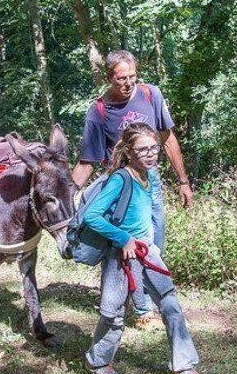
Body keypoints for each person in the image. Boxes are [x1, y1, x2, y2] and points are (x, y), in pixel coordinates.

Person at [82, 123, 210, 374]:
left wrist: (155, 246)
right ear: (129, 151)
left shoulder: (150, 176)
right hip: (122, 257)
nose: (151, 154)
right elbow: (92, 216)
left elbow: (154, 213)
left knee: (171, 305)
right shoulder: (121, 178)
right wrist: (123, 238)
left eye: (154, 148)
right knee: (113, 313)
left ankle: (184, 366)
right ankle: (97, 362)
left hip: (148, 253)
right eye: (143, 150)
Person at [72, 50, 193, 327]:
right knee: (132, 244)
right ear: (108, 78)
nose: (127, 84)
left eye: (132, 77)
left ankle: (149, 299)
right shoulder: (99, 111)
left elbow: (167, 139)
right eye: (121, 79)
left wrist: (183, 182)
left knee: (154, 245)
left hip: (151, 183)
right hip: (122, 187)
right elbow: (87, 160)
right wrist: (66, 193)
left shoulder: (151, 94)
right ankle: (143, 311)